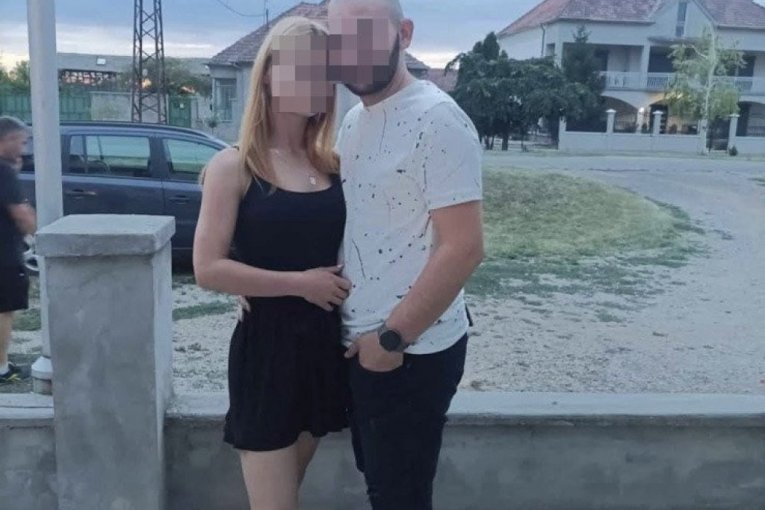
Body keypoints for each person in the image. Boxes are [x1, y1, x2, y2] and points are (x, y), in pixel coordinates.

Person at [327, 0, 485, 508]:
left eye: (366, 33)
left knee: (400, 497)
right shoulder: (354, 120)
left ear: (405, 33)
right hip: (363, 345)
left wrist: (391, 340)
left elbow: (464, 247)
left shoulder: (438, 119)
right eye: (340, 38)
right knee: (382, 485)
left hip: (410, 351)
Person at [192, 17, 352, 510]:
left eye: (326, 71)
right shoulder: (234, 166)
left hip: (323, 349)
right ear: (267, 76)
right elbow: (207, 268)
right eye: (304, 67)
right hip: (267, 355)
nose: (318, 82)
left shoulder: (332, 164)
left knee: (288, 494)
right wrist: (297, 284)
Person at [0, 116, 36, 385]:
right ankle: (1, 368)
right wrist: (36, 230)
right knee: (4, 310)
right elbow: (22, 216)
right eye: (21, 142)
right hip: (4, 255)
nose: (24, 149)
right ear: (8, 139)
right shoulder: (4, 173)